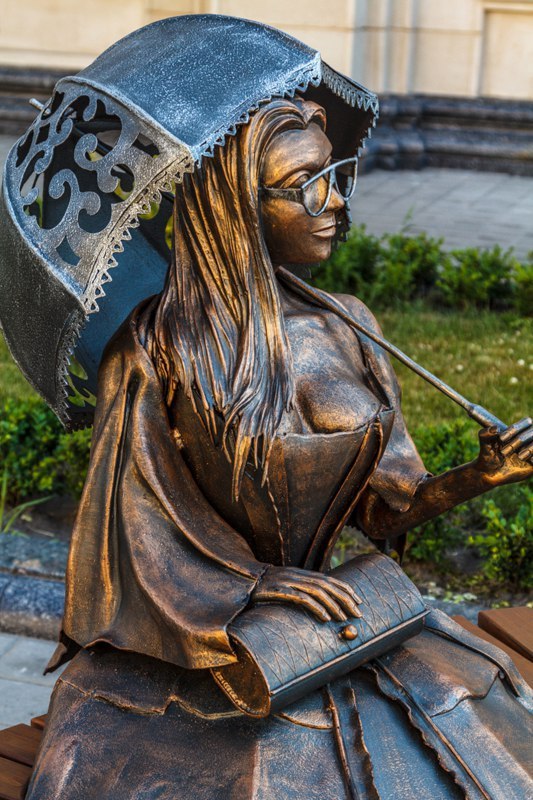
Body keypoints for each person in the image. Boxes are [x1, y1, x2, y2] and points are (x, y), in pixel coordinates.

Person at [26, 97, 532, 800]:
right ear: (234, 207)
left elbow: (385, 511)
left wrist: (480, 476)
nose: (334, 202)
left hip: (350, 618)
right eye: (303, 186)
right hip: (212, 644)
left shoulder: (350, 323)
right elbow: (133, 525)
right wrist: (255, 582)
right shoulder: (155, 348)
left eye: (336, 173)